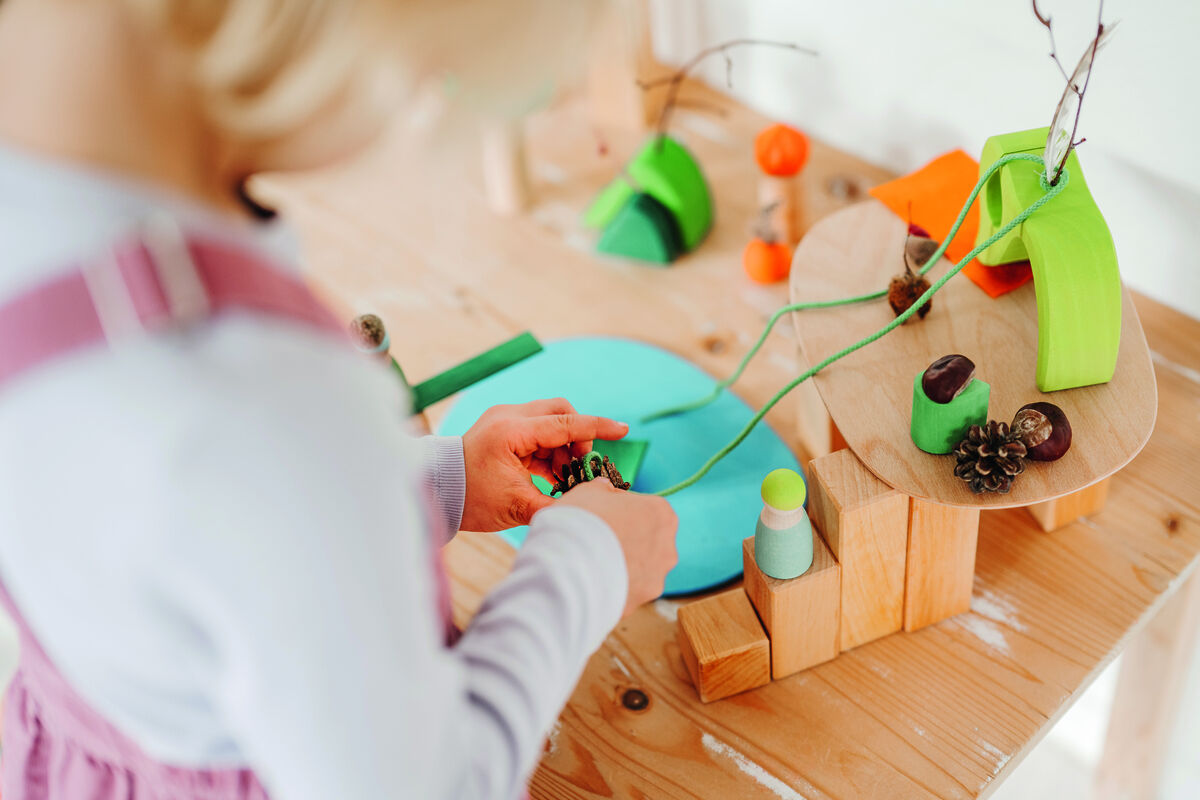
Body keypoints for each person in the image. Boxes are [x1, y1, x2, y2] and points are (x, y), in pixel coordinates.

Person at [0, 1, 679, 798]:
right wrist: (588, 566)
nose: (423, 105)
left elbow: (195, 534)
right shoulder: (265, 400)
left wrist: (438, 479)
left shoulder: (41, 224)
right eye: (433, 69)